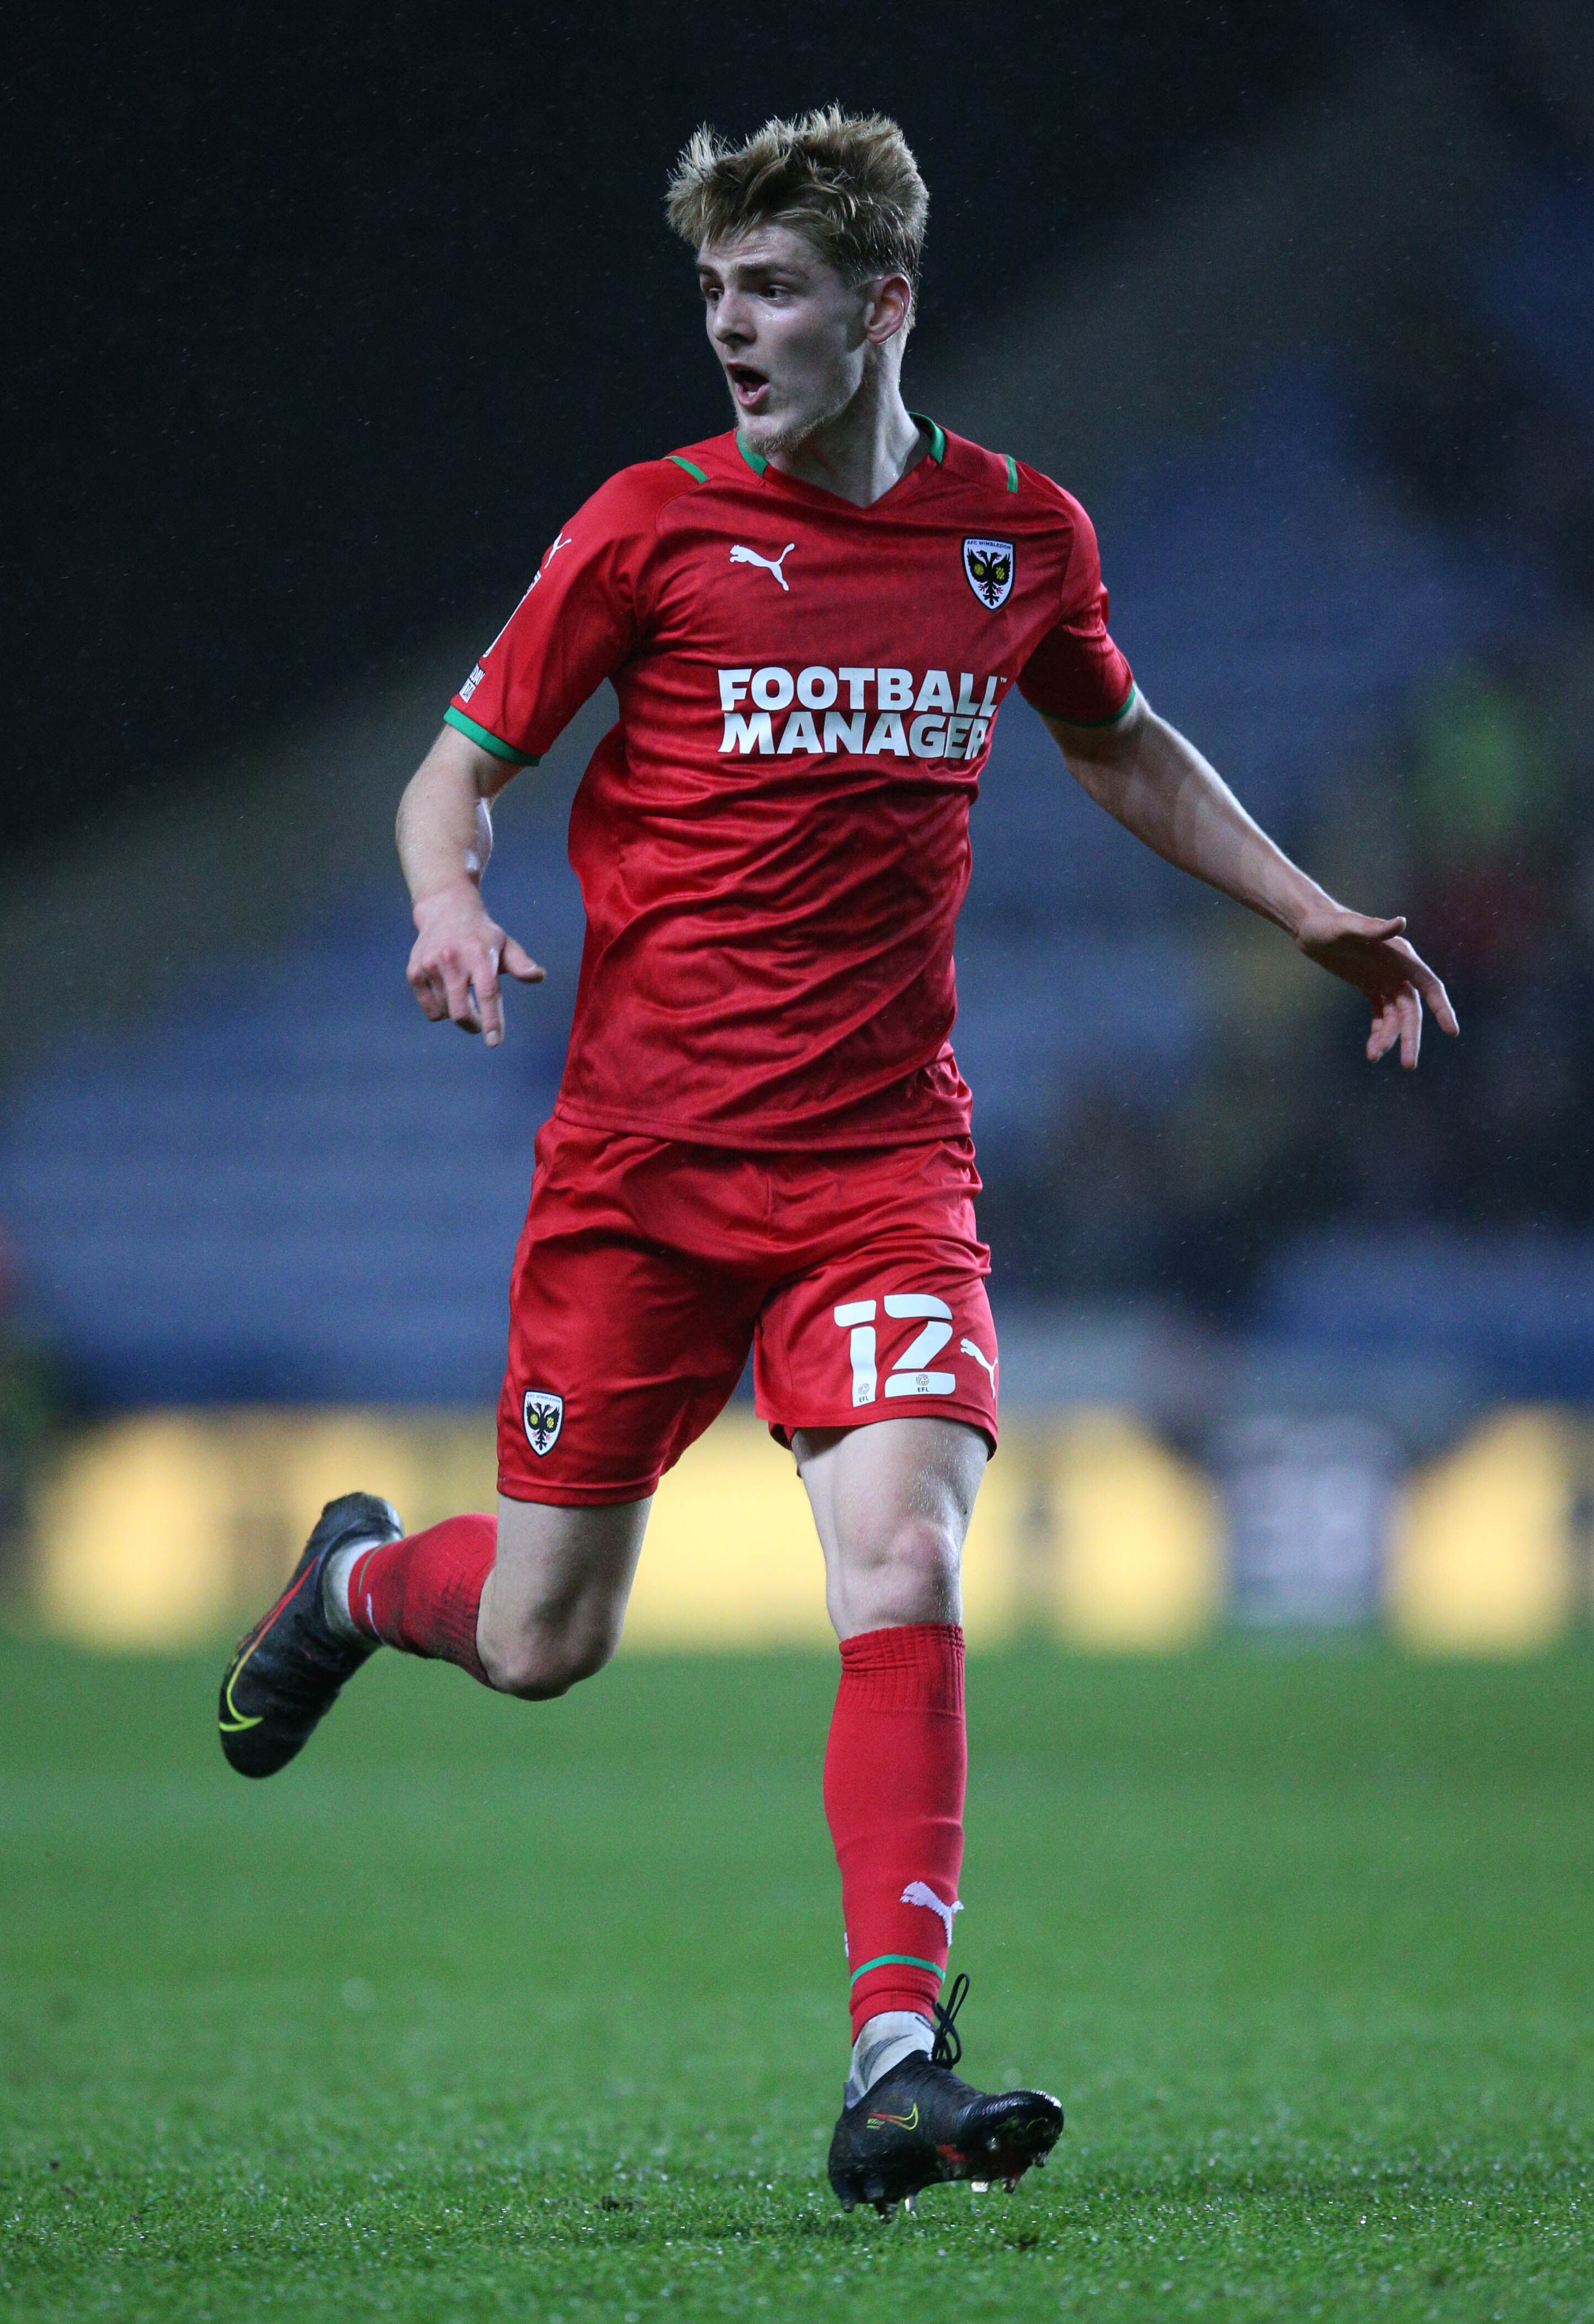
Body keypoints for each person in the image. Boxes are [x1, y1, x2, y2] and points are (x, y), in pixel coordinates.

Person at [217, 107, 1455, 2216]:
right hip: (640, 1169)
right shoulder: (647, 532)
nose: (732, 325)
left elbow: (1122, 740)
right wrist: (445, 900)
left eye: (772, 287)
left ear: (882, 306)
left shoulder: (1013, 540)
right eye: (714, 292)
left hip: (882, 1167)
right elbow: (455, 776)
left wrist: (1306, 903)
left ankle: (899, 2053)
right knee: (541, 1635)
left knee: (905, 1561)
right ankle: (350, 1577)